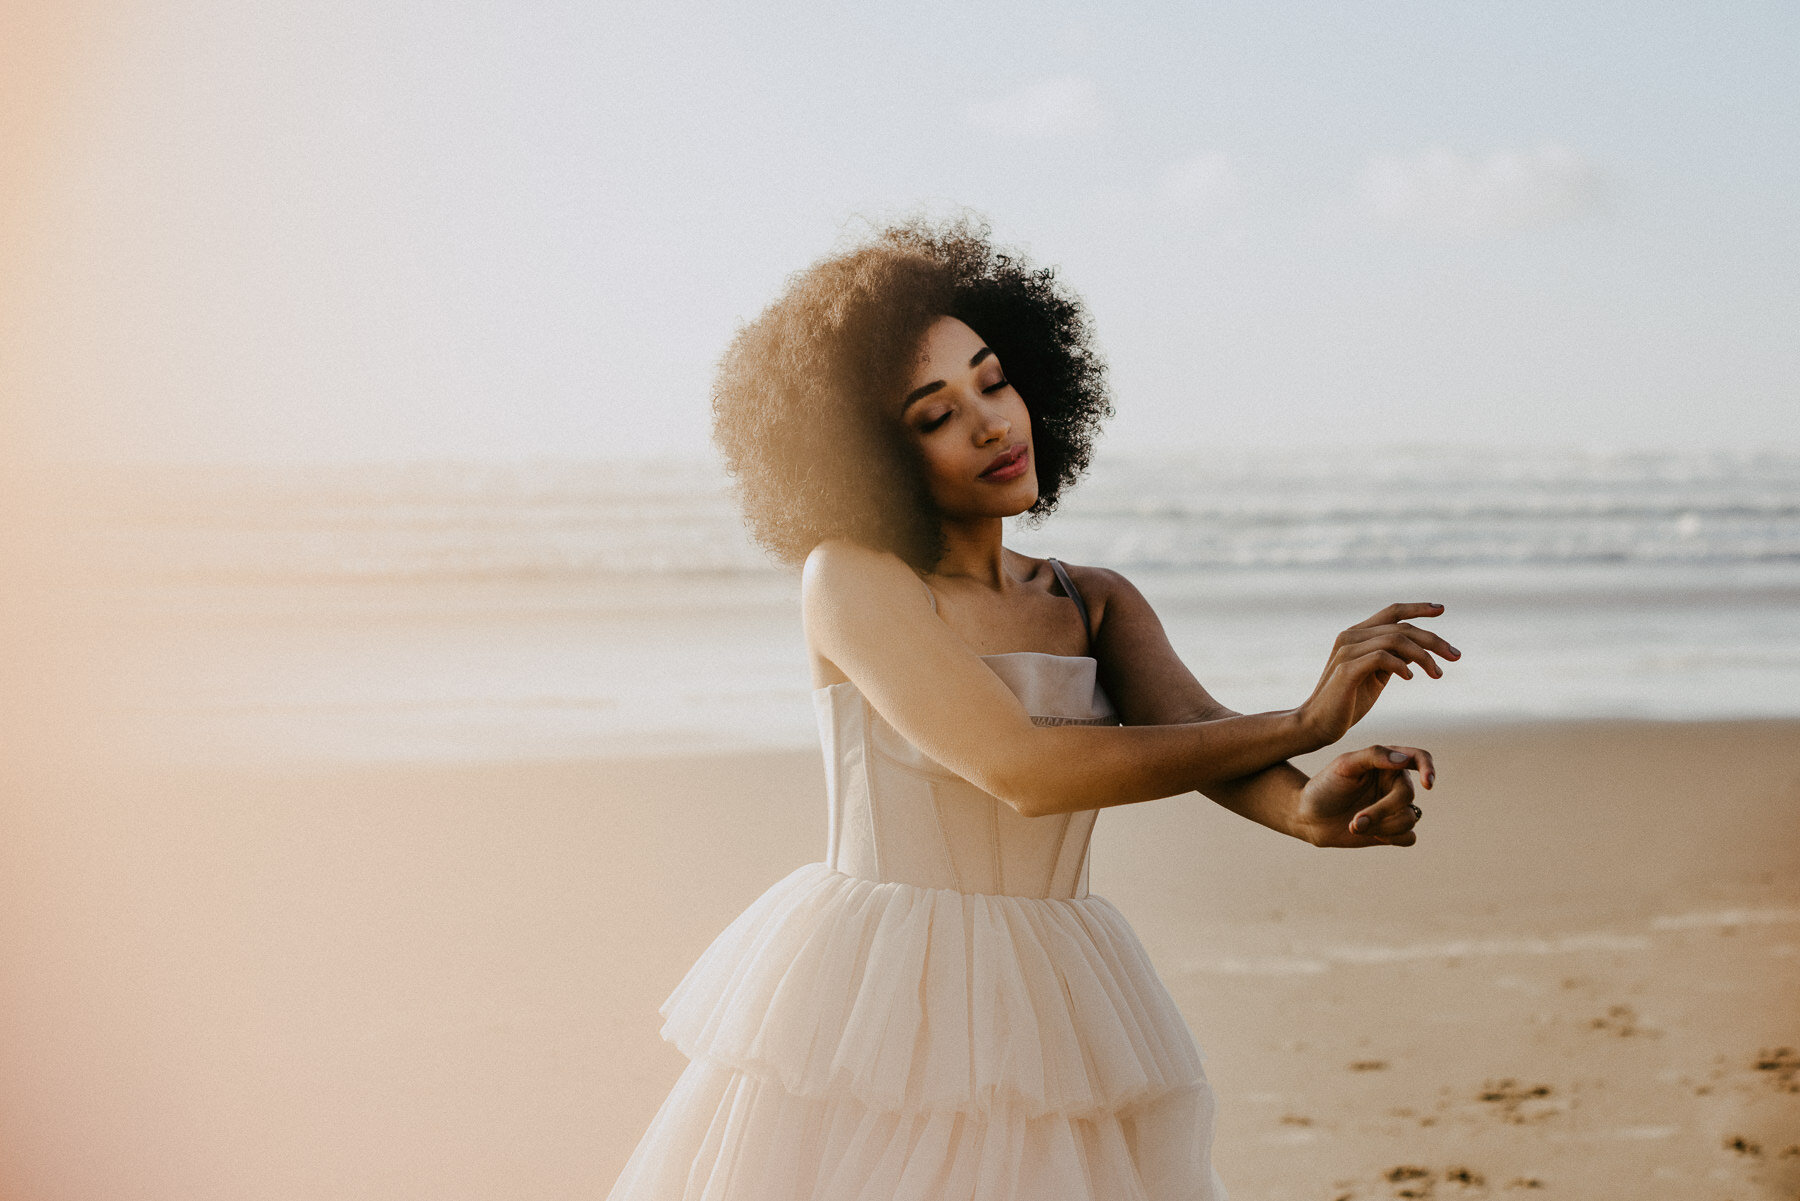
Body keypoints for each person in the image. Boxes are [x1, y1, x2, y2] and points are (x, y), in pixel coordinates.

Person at [606, 216, 1456, 1200]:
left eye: (994, 379)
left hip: (1054, 990)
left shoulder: (1094, 599)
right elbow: (1023, 772)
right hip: (878, 1001)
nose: (991, 422)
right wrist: (1303, 721)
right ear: (867, 455)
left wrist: (1315, 807)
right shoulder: (852, 578)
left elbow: (1199, 740)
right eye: (934, 414)